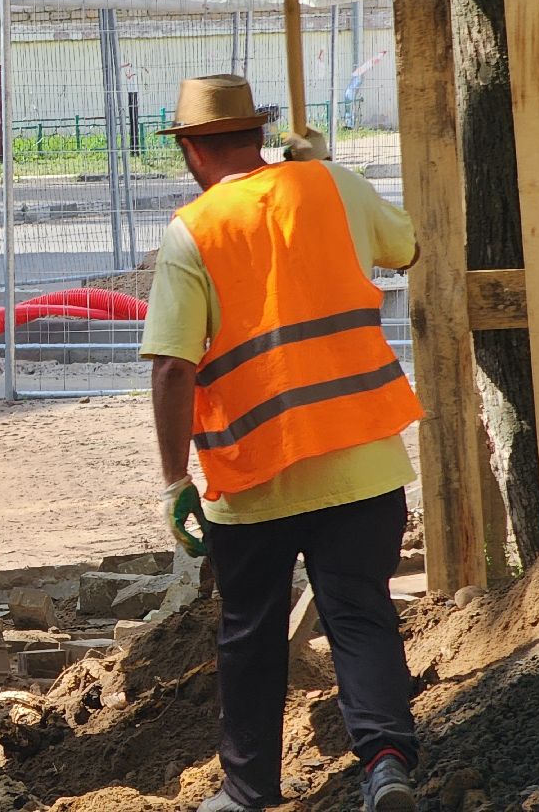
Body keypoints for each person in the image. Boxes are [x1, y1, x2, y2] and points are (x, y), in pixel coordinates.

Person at [141, 74, 423, 812]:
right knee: (360, 614)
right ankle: (388, 761)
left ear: (193, 152)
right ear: (258, 135)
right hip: (361, 456)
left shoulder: (192, 231)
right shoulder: (331, 184)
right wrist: (323, 171)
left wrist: (176, 481)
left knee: (251, 633)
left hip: (257, 472)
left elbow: (173, 366)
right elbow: (408, 247)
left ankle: (247, 792)